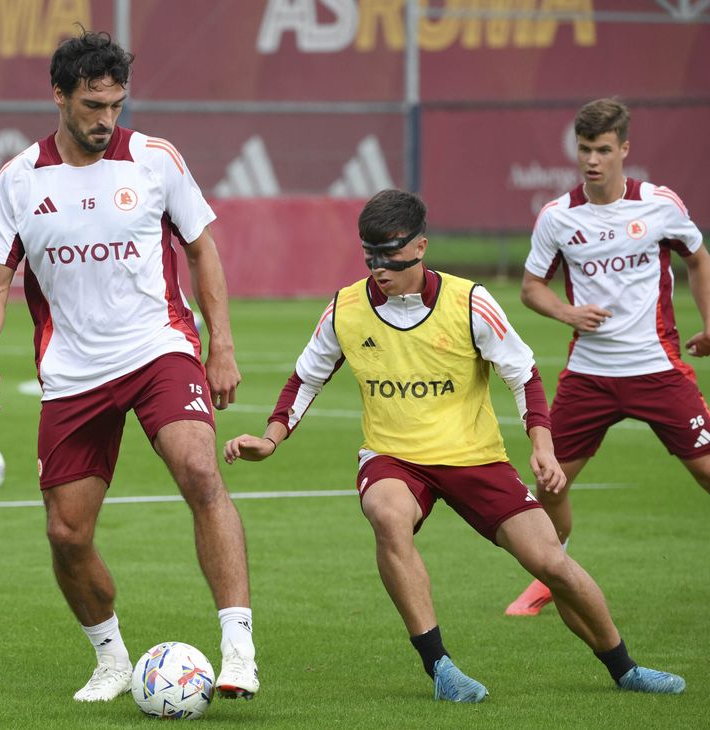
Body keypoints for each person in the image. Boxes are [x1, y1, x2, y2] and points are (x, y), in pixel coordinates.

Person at [224, 189, 685, 701]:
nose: (379, 267)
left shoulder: (469, 301)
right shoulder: (345, 308)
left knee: (550, 562)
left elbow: (524, 373)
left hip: (475, 458)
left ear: (421, 247)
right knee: (387, 515)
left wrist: (542, 445)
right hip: (393, 457)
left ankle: (626, 669)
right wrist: (270, 439)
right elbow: (304, 380)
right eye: (369, 255)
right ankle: (441, 668)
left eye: (391, 255)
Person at [0, 30, 258, 703]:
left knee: (199, 470)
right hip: (72, 371)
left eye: (116, 104)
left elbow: (202, 250)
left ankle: (238, 647)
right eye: (93, 105)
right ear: (59, 95)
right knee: (66, 533)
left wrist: (221, 345)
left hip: (158, 349)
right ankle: (111, 660)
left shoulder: (155, 160)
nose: (106, 119)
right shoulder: (18, 179)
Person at [507, 98, 710, 616]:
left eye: (602, 149)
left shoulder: (660, 204)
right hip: (590, 376)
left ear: (624, 149)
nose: (592, 160)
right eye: (583, 149)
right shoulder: (557, 217)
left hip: (657, 367)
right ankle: (556, 572)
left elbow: (697, 258)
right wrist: (567, 313)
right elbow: (532, 288)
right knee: (549, 482)